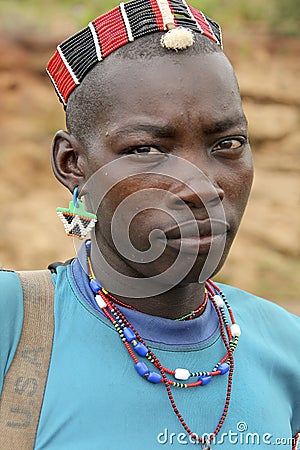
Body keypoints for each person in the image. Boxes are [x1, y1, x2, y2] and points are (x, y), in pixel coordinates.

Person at [0, 0, 299, 448]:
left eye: (228, 143)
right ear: (72, 163)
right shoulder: (13, 325)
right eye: (146, 149)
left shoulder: (285, 345)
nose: (202, 186)